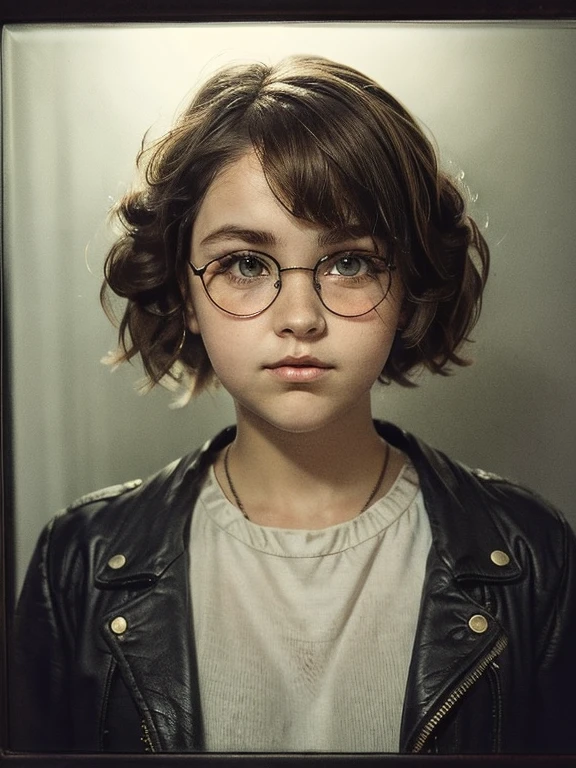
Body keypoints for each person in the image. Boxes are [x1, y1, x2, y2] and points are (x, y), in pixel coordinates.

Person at [11, 55, 576, 755]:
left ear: (409, 288)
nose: (300, 316)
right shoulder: (79, 562)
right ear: (185, 293)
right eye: (246, 264)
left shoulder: (533, 556)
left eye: (349, 261)